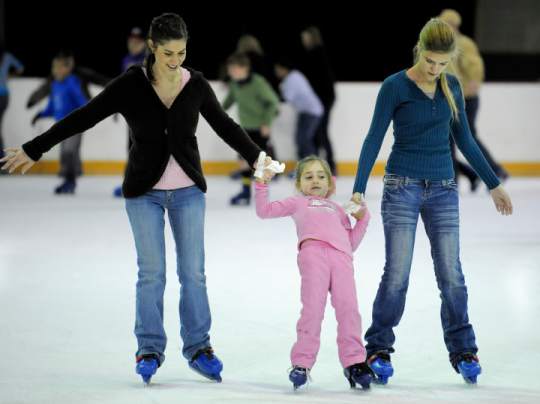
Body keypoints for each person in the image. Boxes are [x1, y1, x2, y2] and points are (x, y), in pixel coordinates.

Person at [1, 13, 266, 385]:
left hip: (189, 193)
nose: (176, 61)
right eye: (169, 53)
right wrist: (35, 148)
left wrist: (258, 157)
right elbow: (84, 117)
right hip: (144, 193)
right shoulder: (131, 84)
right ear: (153, 47)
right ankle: (149, 350)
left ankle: (199, 348)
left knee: (193, 274)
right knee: (151, 274)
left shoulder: (197, 84)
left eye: (182, 53)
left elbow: (226, 125)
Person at [350, 18, 513, 385]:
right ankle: (377, 347)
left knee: (451, 274)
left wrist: (492, 183)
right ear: (419, 51)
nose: (434, 70)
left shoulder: (452, 86)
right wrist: (358, 189)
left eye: (442, 64)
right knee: (397, 275)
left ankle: (464, 349)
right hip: (401, 187)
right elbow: (373, 138)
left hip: (442, 188)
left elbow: (466, 142)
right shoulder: (394, 86)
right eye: (430, 62)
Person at [255, 156, 373, 390]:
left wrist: (363, 218)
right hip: (313, 256)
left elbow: (350, 243)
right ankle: (302, 363)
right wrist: (261, 183)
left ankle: (355, 362)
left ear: (331, 183)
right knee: (312, 309)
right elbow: (264, 211)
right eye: (308, 177)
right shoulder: (298, 203)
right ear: (299, 184)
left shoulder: (340, 209)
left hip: (342, 260)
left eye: (321, 176)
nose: (316, 181)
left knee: (349, 309)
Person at [439, 9, 509, 190]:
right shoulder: (442, 44)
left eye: (447, 23)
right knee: (449, 139)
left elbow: (474, 66)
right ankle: (466, 175)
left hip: (465, 99)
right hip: (449, 98)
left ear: (454, 25)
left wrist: (473, 81)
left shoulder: (463, 43)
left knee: (464, 138)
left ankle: (493, 171)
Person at [222, 52, 280, 205]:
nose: (232, 73)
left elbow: (273, 102)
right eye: (230, 70)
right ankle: (246, 191)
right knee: (242, 161)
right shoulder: (235, 84)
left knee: (261, 163)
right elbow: (227, 102)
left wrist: (266, 123)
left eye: (235, 69)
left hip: (260, 128)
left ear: (245, 68)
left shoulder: (258, 83)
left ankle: (263, 192)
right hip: (244, 129)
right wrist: (214, 112)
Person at [30, 50, 90, 194]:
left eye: (58, 67)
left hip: (75, 126)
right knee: (65, 153)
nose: (55, 70)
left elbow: (85, 103)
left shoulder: (72, 83)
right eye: (53, 67)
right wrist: (40, 114)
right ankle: (69, 179)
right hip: (60, 128)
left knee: (69, 151)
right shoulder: (55, 85)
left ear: (67, 68)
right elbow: (52, 107)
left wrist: (84, 119)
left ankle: (71, 180)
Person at [113, 26, 148, 197]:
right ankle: (131, 181)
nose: (133, 44)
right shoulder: (126, 59)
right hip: (132, 112)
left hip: (148, 111)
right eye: (131, 41)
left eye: (137, 41)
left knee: (146, 146)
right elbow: (122, 85)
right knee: (133, 146)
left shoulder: (150, 59)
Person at [300, 26, 337, 174]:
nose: (304, 41)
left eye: (306, 38)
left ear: (311, 38)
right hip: (321, 98)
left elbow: (319, 79)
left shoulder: (316, 53)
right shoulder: (314, 53)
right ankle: (320, 164)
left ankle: (330, 165)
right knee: (317, 132)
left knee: (321, 131)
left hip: (324, 98)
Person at [274, 59, 323, 167]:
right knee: (301, 139)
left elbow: (286, 98)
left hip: (311, 112)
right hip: (307, 111)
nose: (276, 72)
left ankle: (312, 167)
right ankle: (304, 167)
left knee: (303, 139)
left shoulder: (292, 78)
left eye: (277, 69)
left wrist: (273, 103)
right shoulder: (294, 76)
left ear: (283, 69)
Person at [0, 45, 24, 161]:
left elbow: (20, 68)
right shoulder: (7, 56)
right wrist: (7, 76)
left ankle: (1, 160)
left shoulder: (7, 56)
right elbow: (20, 68)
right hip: (3, 96)